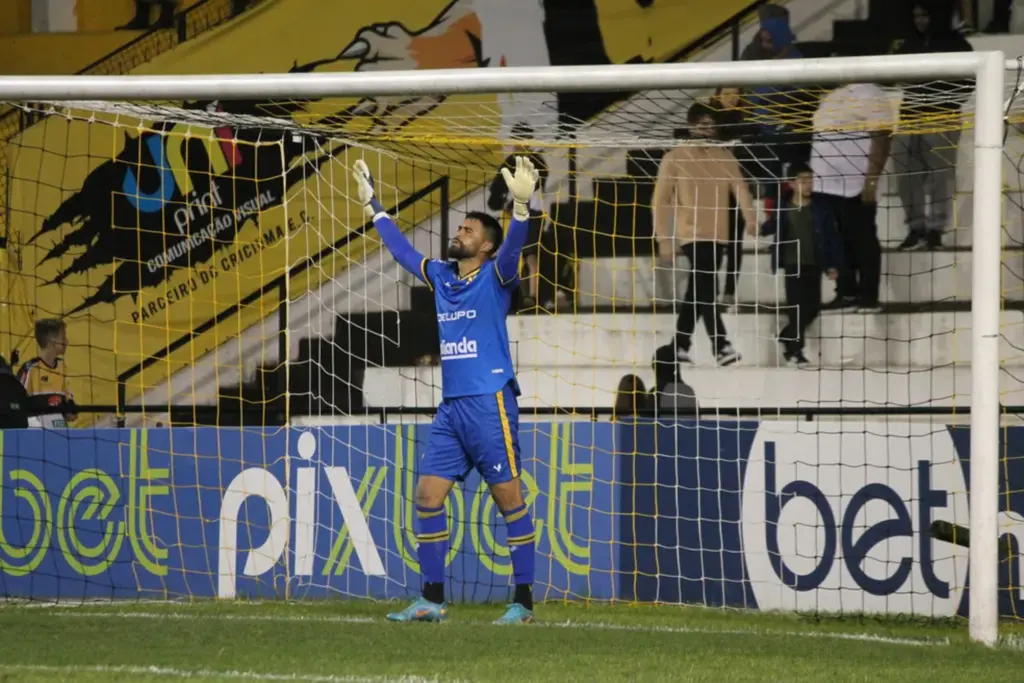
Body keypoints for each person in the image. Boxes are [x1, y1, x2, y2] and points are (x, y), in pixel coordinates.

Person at [351, 156, 540, 625]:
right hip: (452, 409)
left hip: (490, 402)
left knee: (509, 501)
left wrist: (520, 207)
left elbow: (514, 247)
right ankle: (432, 600)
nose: (459, 234)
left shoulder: (497, 276)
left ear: (486, 246)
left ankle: (524, 603)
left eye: (469, 231)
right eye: (460, 229)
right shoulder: (440, 276)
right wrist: (374, 206)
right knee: (427, 497)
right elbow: (400, 251)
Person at [654, 102, 756, 366]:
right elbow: (660, 200)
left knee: (701, 289)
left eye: (710, 124)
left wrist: (751, 218)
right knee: (706, 285)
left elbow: (741, 189)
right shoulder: (674, 157)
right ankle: (721, 345)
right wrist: (663, 238)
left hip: (719, 234)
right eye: (701, 123)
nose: (705, 129)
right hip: (691, 233)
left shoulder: (725, 157)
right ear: (691, 126)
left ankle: (680, 345)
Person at [893, 2, 974, 251]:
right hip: (909, 119)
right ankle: (916, 228)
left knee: (941, 176)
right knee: (906, 174)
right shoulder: (907, 45)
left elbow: (969, 80)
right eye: (916, 16)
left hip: (942, 118)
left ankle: (937, 230)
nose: (920, 21)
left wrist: (942, 99)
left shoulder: (957, 44)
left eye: (925, 15)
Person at [810, 81, 894, 313]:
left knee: (863, 240)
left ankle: (868, 297)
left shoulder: (872, 93)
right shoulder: (831, 95)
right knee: (836, 242)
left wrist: (871, 180)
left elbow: (882, 138)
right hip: (824, 184)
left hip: (856, 184)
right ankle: (846, 293)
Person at [761, 162, 841, 367]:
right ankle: (796, 351)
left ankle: (787, 337)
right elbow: (770, 227)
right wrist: (761, 225)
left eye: (810, 180)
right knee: (796, 307)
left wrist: (832, 265)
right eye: (803, 180)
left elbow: (831, 236)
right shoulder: (783, 206)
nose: (808, 185)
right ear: (792, 184)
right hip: (792, 263)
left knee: (812, 308)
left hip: (814, 262)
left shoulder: (820, 207)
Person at [18, 319, 76, 429]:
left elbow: (68, 402)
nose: (67, 341)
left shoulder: (62, 366)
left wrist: (71, 411)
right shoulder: (31, 368)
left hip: (61, 430)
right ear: (52, 341)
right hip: (37, 432)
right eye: (63, 337)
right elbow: (18, 403)